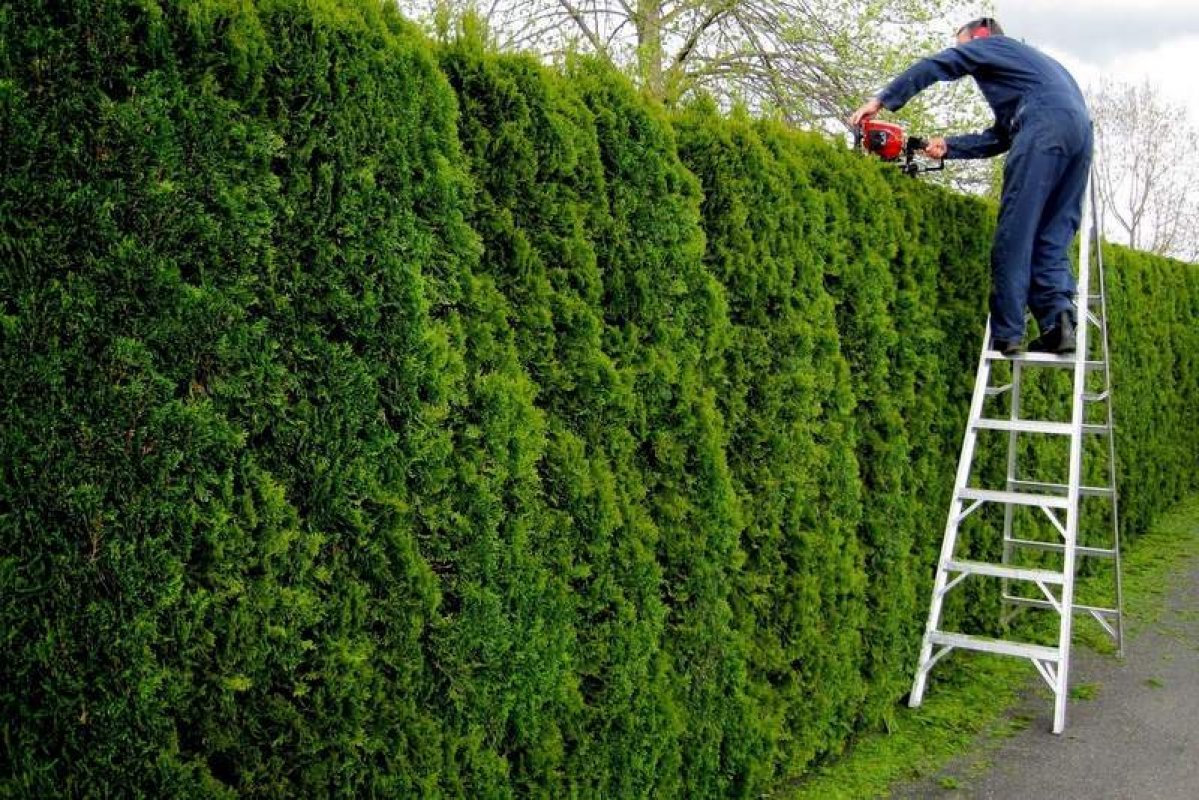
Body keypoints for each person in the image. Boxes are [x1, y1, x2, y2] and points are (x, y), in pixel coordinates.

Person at [850, 17, 1093, 355]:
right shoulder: (1039, 68)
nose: (967, 59)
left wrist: (882, 100)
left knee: (1016, 232)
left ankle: (1008, 333)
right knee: (1052, 236)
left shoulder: (990, 45)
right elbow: (1000, 137)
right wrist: (948, 146)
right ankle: (1059, 325)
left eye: (964, 46)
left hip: (1043, 127)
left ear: (979, 37)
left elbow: (937, 64)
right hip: (1080, 135)